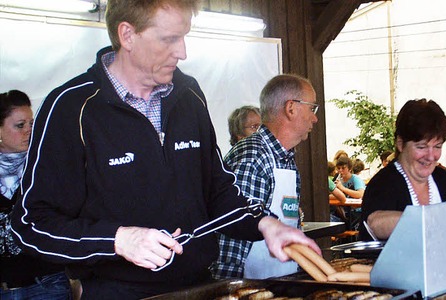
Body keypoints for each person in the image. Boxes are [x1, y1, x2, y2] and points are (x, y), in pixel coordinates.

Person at [10, 2, 319, 298]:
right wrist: (118, 239)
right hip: (117, 291)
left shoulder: (188, 96)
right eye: (170, 39)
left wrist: (266, 224)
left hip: (199, 286)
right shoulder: (71, 107)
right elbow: (31, 223)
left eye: (183, 36)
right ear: (127, 35)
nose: (182, 52)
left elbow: (218, 191)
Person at [211, 74, 318, 280]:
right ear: (291, 108)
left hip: (278, 281)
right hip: (250, 287)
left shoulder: (285, 158)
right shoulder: (254, 156)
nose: (315, 117)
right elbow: (232, 239)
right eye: (312, 108)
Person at [0, 90, 71, 299]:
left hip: (47, 282)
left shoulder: (45, 165)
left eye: (32, 124)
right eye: (20, 125)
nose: (29, 131)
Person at [360, 99, 446, 241]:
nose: (431, 157)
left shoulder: (443, 180)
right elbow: (375, 223)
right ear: (400, 144)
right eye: (421, 147)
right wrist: (430, 219)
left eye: (437, 146)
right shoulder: (383, 183)